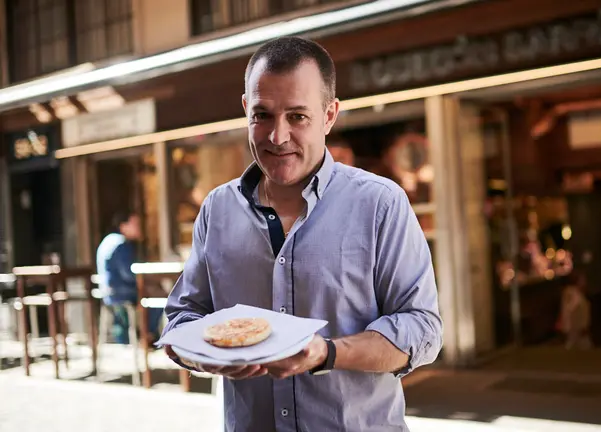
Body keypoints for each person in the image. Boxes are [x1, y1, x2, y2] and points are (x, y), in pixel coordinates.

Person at [162, 36, 443, 431]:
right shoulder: (217, 209)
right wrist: (201, 356)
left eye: (298, 116)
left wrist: (326, 353)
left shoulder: (380, 204)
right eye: (263, 115)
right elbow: (181, 320)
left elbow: (423, 329)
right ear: (246, 110)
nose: (277, 137)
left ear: (329, 115)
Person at [96, 212, 163, 344]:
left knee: (154, 292)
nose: (139, 227)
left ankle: (143, 335)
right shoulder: (121, 244)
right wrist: (149, 281)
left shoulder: (109, 240)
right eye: (135, 224)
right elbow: (129, 274)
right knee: (159, 296)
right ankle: (147, 335)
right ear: (123, 226)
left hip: (108, 290)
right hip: (120, 290)